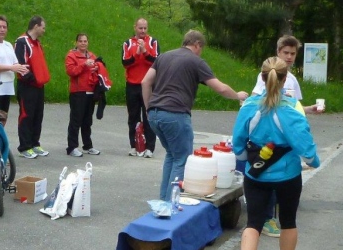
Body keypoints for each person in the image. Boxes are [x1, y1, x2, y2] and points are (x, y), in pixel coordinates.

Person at [230, 56, 320, 250]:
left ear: (261, 77)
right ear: (284, 79)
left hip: (256, 174)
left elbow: (238, 143)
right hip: (287, 174)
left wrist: (247, 158)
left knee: (253, 223)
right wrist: (313, 162)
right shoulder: (292, 108)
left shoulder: (249, 106)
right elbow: (306, 147)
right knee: (288, 221)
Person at [142, 30, 249, 201]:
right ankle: (171, 204)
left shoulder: (163, 57)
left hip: (155, 113)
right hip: (175, 114)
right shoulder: (195, 61)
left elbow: (145, 81)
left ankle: (164, 200)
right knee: (181, 159)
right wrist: (237, 95)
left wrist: (149, 109)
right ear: (198, 44)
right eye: (201, 48)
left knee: (172, 155)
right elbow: (220, 88)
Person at [251, 35, 323, 238]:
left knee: (282, 176)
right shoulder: (267, 75)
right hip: (268, 137)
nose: (289, 57)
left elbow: (294, 107)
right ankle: (266, 218)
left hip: (287, 136)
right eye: (286, 53)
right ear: (278, 52)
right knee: (267, 173)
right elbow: (256, 102)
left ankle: (275, 216)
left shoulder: (292, 80)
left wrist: (309, 109)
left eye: (293, 53)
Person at [14, 15, 50, 159]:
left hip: (39, 86)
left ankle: (35, 143)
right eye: (43, 27)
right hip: (27, 86)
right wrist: (33, 79)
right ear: (36, 26)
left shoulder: (38, 43)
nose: (44, 30)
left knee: (38, 115)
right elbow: (21, 65)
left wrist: (41, 80)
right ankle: (25, 146)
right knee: (26, 115)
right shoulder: (22, 42)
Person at [122, 18, 159, 158]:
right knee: (133, 116)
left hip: (148, 85)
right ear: (135, 28)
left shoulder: (153, 42)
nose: (143, 31)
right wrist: (137, 53)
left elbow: (157, 62)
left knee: (149, 115)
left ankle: (150, 147)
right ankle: (135, 146)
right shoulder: (127, 43)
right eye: (140, 28)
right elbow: (125, 63)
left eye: (145, 28)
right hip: (132, 84)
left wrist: (145, 52)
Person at [0, 15, 30, 113]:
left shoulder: (8, 45)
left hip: (7, 89)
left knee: (3, 117)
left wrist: (21, 68)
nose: (2, 30)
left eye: (4, 27)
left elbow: (15, 64)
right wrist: (11, 67)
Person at [65, 33, 103, 157]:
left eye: (85, 41)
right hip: (78, 92)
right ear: (76, 43)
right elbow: (71, 71)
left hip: (90, 91)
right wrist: (84, 64)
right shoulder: (71, 55)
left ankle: (88, 146)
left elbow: (98, 70)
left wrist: (97, 69)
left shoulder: (92, 55)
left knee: (87, 121)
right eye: (80, 41)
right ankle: (72, 147)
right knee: (76, 120)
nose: (83, 43)